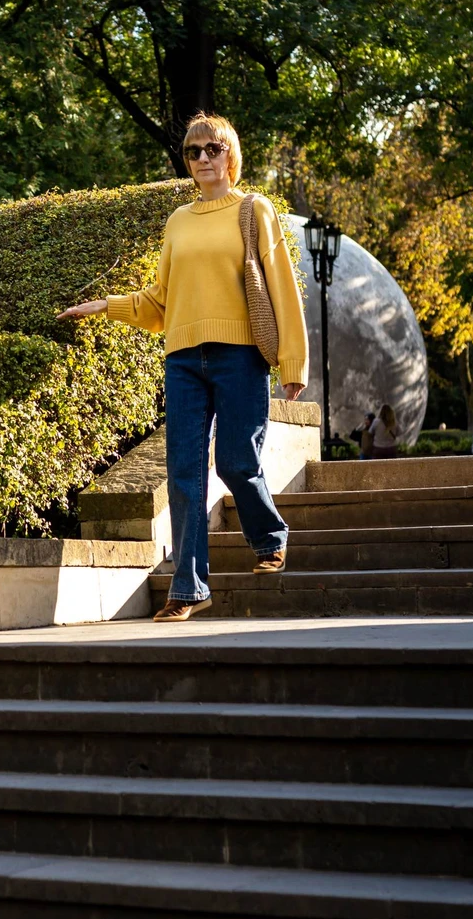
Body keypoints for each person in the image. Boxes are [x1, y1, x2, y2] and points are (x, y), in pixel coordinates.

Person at [57, 113, 308, 621]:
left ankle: (269, 537)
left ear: (230, 155)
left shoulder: (254, 210)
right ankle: (189, 588)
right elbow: (160, 300)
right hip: (184, 360)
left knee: (236, 461)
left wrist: (292, 363)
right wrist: (105, 305)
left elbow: (282, 286)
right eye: (193, 152)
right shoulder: (178, 221)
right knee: (183, 474)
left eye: (213, 149)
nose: (203, 159)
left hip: (240, 356)